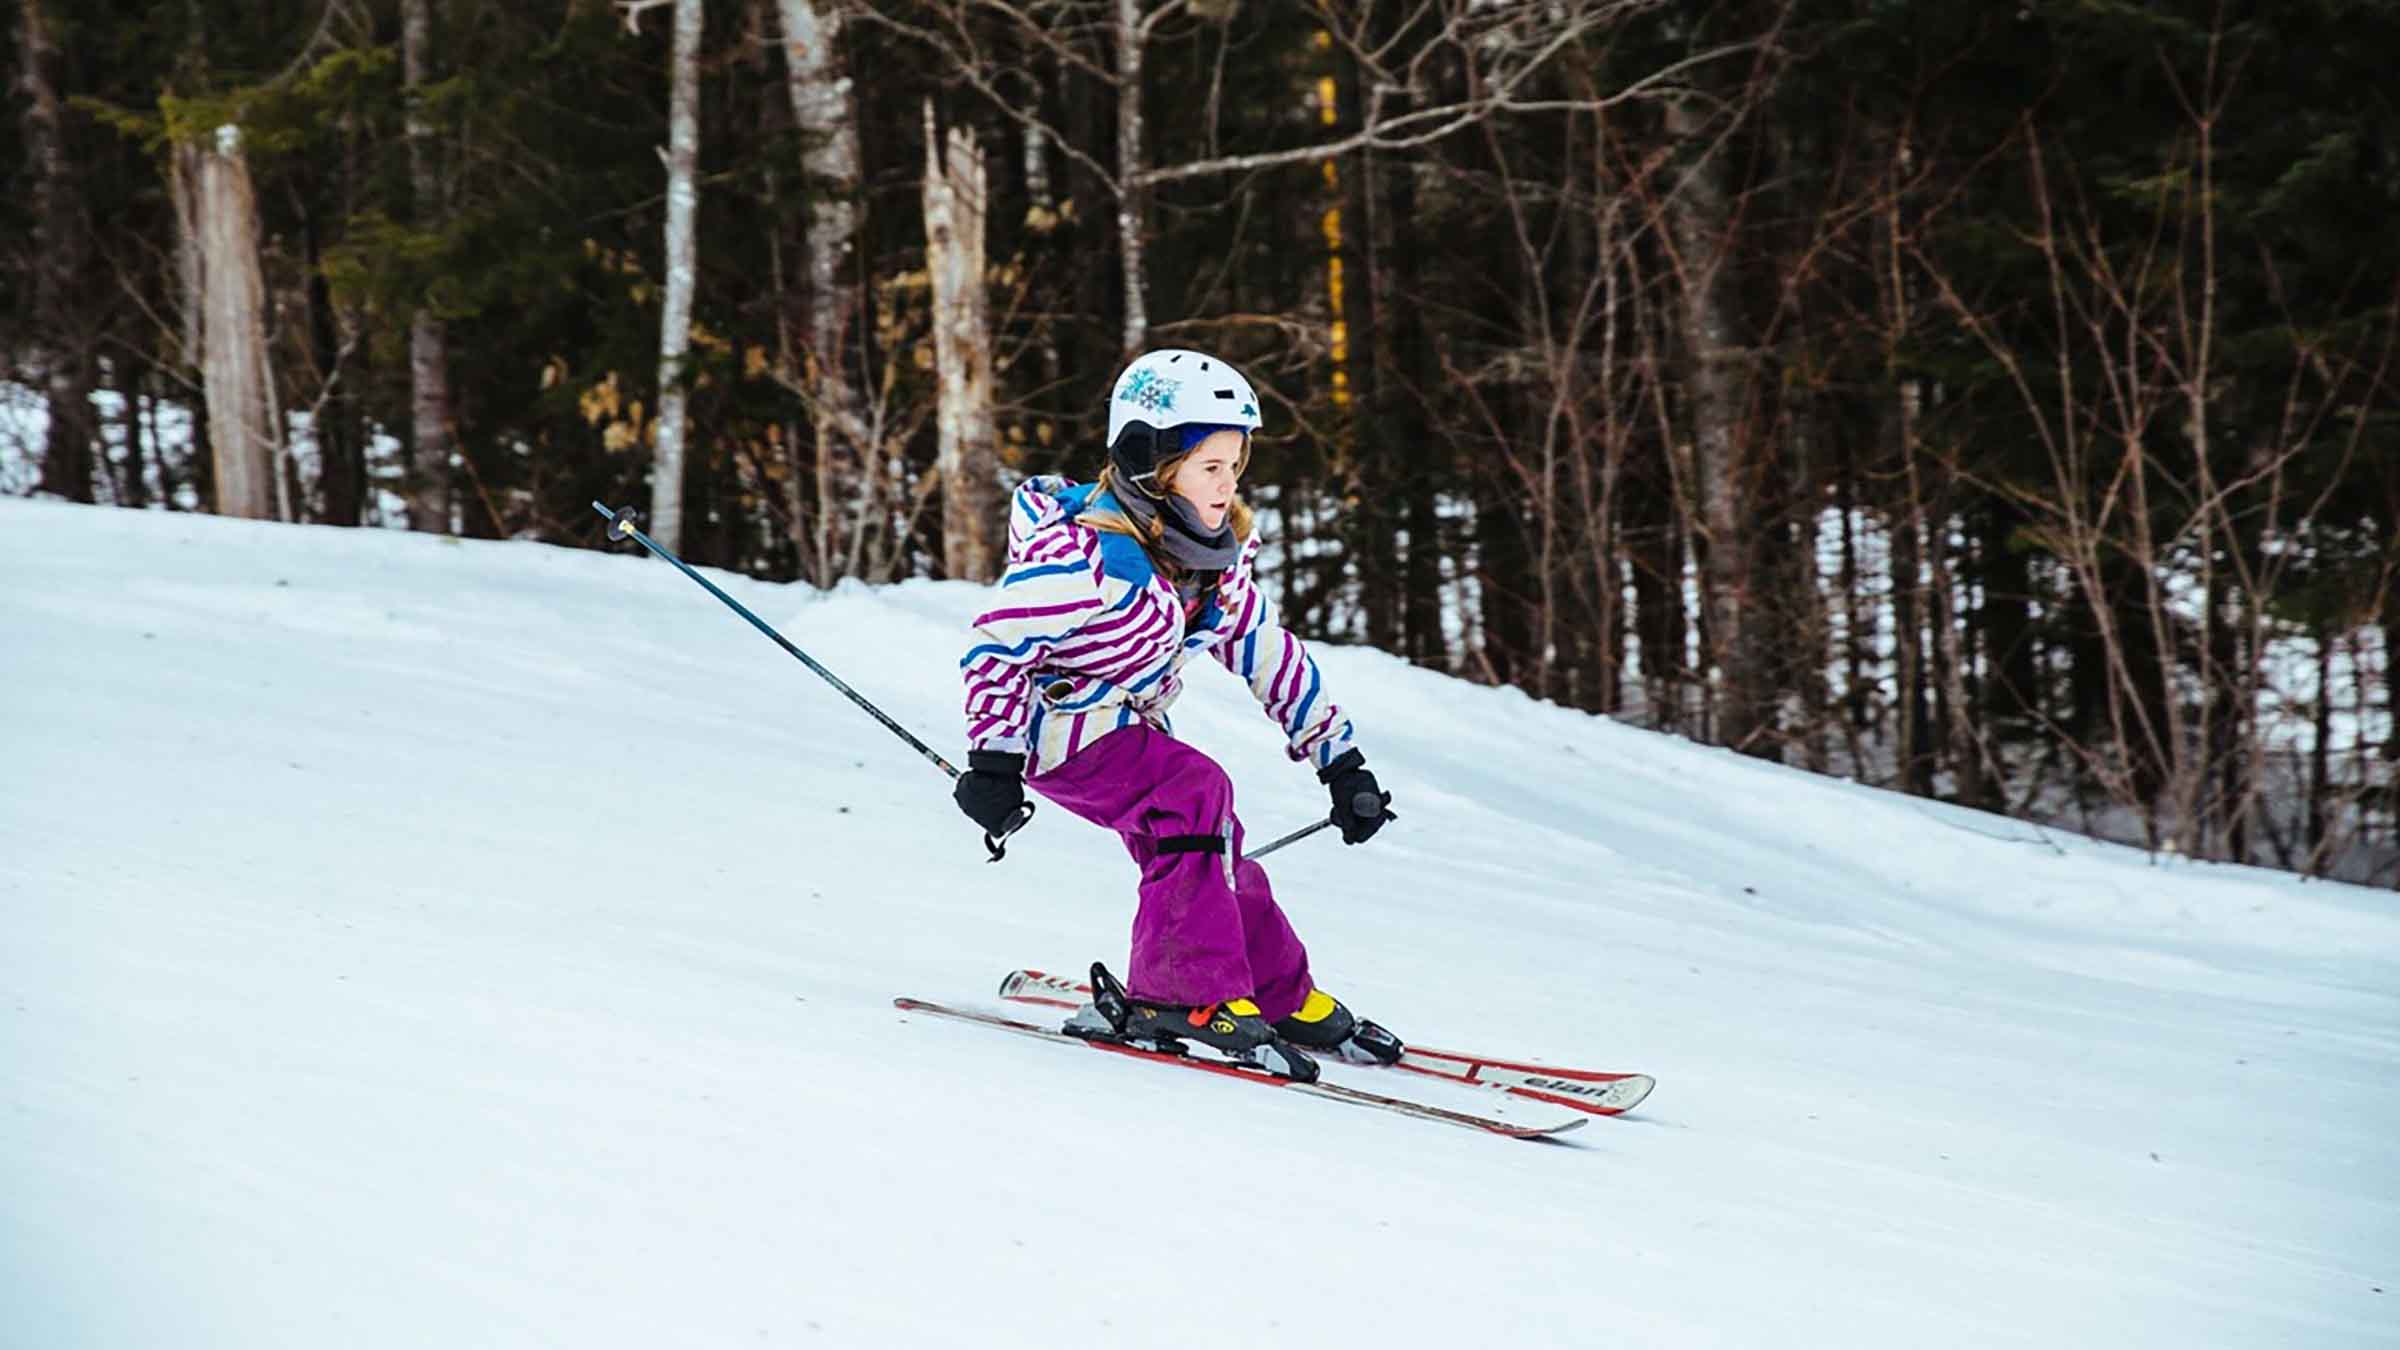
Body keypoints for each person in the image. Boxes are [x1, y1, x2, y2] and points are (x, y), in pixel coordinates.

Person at [949, 348, 1397, 1071]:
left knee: (1211, 840)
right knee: (1194, 792)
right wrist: (993, 761)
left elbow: (1272, 657)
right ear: (1151, 467)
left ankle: (1274, 991)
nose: (1228, 484)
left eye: (1234, 465)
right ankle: (1179, 994)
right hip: (1056, 733)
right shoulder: (1086, 561)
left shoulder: (1207, 566)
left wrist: (1342, 765)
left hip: (1127, 728)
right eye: (1209, 467)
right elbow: (996, 646)